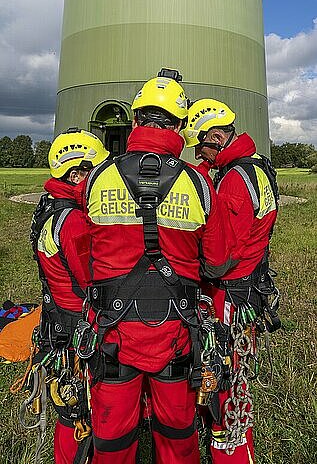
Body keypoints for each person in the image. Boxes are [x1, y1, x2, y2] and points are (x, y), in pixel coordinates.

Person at [83, 70, 232, 464]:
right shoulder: (199, 185)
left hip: (113, 336)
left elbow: (86, 256)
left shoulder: (97, 179)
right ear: (182, 127)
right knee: (177, 437)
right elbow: (217, 263)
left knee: (111, 443)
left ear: (135, 120)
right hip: (176, 336)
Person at [184, 99, 280, 464]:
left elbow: (222, 257)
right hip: (249, 287)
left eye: (203, 145)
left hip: (230, 295)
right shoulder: (254, 166)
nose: (200, 153)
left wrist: (191, 268)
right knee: (226, 372)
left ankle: (232, 453)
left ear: (219, 136)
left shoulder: (236, 181)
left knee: (225, 378)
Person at [30, 128, 109, 464]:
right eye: (93, 172)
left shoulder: (48, 208)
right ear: (76, 174)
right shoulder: (73, 220)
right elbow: (93, 277)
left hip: (58, 320)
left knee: (69, 404)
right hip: (77, 324)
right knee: (80, 410)